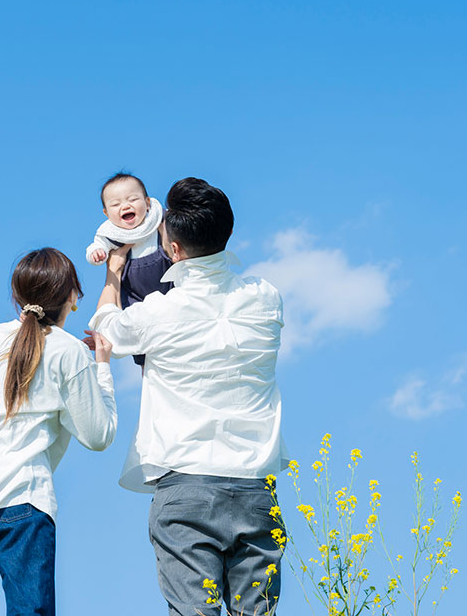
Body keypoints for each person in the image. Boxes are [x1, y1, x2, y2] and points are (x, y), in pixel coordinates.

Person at [88, 178, 289, 616]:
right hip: (255, 486)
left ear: (173, 252)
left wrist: (114, 274)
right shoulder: (266, 297)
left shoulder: (161, 311)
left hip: (185, 482)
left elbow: (106, 325)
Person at [0, 248, 117, 616]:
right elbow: (99, 435)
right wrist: (101, 369)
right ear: (73, 297)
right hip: (21, 499)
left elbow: (32, 362)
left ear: (17, 296)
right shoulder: (69, 353)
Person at [85, 172, 172, 365]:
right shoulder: (111, 234)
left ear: (148, 203)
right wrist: (97, 253)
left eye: (133, 199)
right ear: (106, 214)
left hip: (167, 285)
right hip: (134, 296)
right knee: (142, 349)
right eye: (115, 205)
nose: (125, 206)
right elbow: (95, 246)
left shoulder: (157, 221)